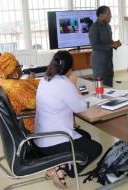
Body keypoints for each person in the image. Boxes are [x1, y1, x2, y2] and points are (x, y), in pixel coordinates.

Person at [35, 50, 102, 189]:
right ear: (69, 69)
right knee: (96, 148)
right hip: (54, 140)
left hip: (40, 137)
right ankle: (63, 170)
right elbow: (80, 107)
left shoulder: (45, 79)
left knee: (86, 136)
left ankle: (61, 163)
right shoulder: (64, 83)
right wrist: (73, 84)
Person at [0, 52, 39, 134]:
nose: (21, 68)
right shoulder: (16, 86)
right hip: (31, 123)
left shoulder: (4, 81)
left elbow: (25, 84)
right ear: (13, 71)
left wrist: (32, 81)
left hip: (23, 120)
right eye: (18, 66)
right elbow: (34, 103)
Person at [89, 5, 122, 87]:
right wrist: (110, 45)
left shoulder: (108, 26)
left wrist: (115, 44)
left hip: (109, 62)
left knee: (109, 87)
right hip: (99, 63)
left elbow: (109, 42)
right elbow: (95, 45)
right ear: (101, 15)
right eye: (109, 14)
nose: (111, 16)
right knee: (100, 87)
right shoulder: (94, 27)